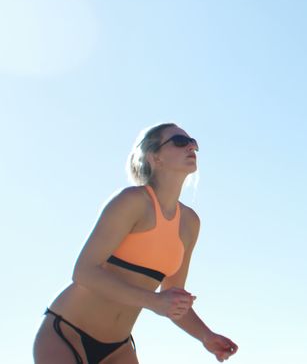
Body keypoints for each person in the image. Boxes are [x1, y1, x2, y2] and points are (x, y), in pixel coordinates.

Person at [33, 123, 238, 363]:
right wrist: (154, 302)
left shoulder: (190, 223)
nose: (191, 146)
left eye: (193, 141)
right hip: (67, 333)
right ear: (155, 157)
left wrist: (206, 336)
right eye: (180, 142)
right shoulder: (132, 201)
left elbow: (172, 300)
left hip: (117, 349)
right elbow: (83, 272)